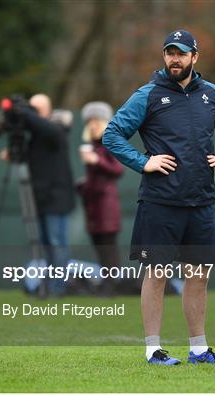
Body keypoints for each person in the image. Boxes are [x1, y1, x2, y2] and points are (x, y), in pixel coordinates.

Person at [103, 29, 215, 365]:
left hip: (201, 201)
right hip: (160, 202)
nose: (174, 59)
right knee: (157, 273)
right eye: (169, 52)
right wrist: (143, 162)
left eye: (180, 53)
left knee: (199, 274)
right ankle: (153, 350)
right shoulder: (147, 95)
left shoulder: (212, 95)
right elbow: (113, 134)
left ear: (195, 56)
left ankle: (199, 350)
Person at [0, 94, 75, 296]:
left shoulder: (57, 128)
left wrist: (24, 112)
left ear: (48, 110)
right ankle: (48, 284)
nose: (32, 114)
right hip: (39, 197)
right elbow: (36, 159)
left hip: (56, 198)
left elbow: (48, 130)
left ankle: (58, 287)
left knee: (57, 244)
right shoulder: (35, 136)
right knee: (46, 245)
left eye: (37, 109)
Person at [78, 101, 124, 296]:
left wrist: (96, 161)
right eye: (90, 122)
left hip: (106, 207)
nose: (92, 125)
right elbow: (96, 179)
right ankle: (107, 284)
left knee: (108, 248)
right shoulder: (94, 146)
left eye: (96, 121)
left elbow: (117, 169)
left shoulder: (110, 143)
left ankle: (110, 286)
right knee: (99, 247)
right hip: (93, 206)